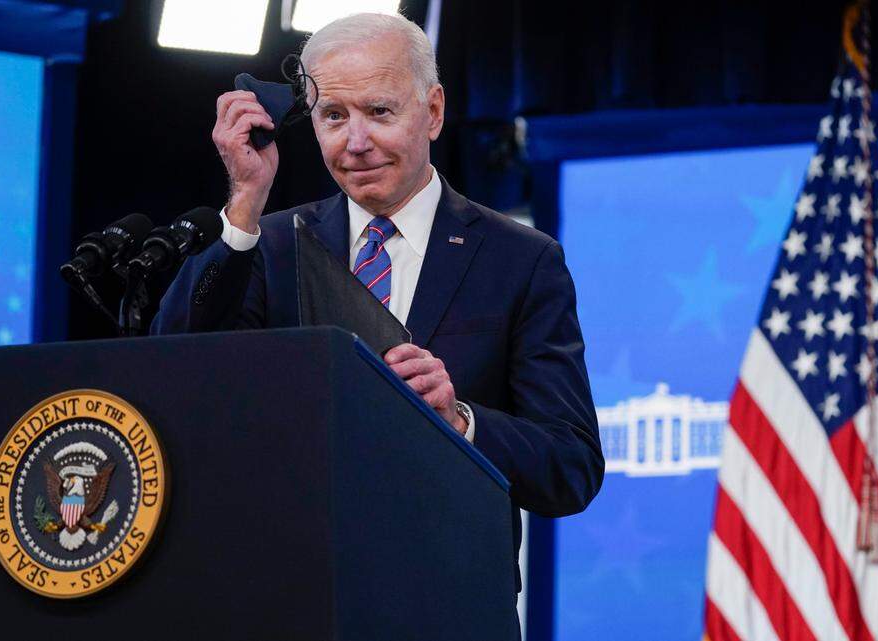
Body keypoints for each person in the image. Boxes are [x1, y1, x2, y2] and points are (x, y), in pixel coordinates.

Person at [151, 10, 603, 600]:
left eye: (380, 112)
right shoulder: (271, 245)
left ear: (433, 111)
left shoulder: (521, 260)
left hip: (449, 603)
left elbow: (570, 467)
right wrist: (244, 204)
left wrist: (459, 421)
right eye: (333, 116)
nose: (356, 143)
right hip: (295, 596)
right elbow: (174, 370)